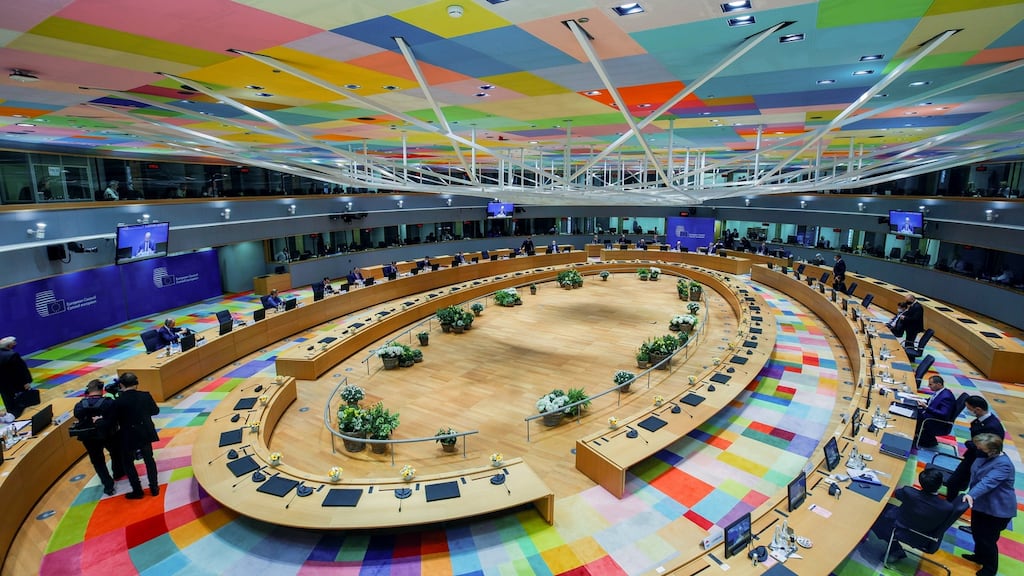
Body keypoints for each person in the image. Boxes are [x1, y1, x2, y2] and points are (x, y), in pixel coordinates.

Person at [961, 433, 1015, 576]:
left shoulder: (1004, 465)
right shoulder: (984, 456)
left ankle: (990, 569)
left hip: (997, 510)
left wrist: (971, 494)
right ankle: (979, 556)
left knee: (987, 539)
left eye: (980, 448)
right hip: (981, 504)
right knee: (977, 532)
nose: (977, 449)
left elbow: (987, 482)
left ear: (992, 450)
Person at [869, 468, 952, 561]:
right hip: (926, 536)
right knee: (887, 508)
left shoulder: (909, 492)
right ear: (941, 485)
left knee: (873, 516)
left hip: (904, 530)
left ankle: (895, 549)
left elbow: (896, 493)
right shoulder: (947, 507)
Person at [945, 397, 1004, 500]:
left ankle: (950, 504)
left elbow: (988, 449)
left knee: (954, 482)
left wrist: (969, 443)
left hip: (979, 459)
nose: (967, 411)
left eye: (969, 408)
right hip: (972, 456)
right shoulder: (982, 420)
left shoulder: (992, 427)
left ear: (978, 409)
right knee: (957, 481)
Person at [73, 379, 124, 496]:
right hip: (109, 434)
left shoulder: (80, 405)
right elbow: (115, 417)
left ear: (88, 391)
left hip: (89, 437)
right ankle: (118, 472)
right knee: (115, 453)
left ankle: (108, 485)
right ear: (102, 390)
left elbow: (77, 416)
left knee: (97, 461)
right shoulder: (109, 403)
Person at [113, 372, 160, 499]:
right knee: (149, 460)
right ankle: (154, 487)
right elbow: (155, 411)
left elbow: (114, 420)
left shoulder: (118, 401)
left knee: (128, 463)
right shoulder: (145, 396)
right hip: (145, 432)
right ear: (136, 383)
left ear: (121, 384)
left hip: (128, 435)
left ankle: (137, 490)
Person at [915, 375, 956, 448]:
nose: (928, 386)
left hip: (935, 422)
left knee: (913, 415)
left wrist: (926, 407)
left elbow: (944, 414)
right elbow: (932, 401)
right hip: (929, 415)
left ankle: (915, 437)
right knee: (913, 409)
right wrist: (921, 400)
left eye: (930, 384)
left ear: (939, 384)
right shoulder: (940, 392)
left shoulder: (946, 397)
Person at [0, 336, 33, 418]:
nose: (15, 344)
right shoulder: (13, 355)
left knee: (9, 404)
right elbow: (21, 370)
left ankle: (11, 417)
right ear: (9, 345)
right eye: (13, 343)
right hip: (16, 385)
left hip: (3, 386)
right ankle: (13, 417)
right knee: (21, 403)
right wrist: (26, 382)